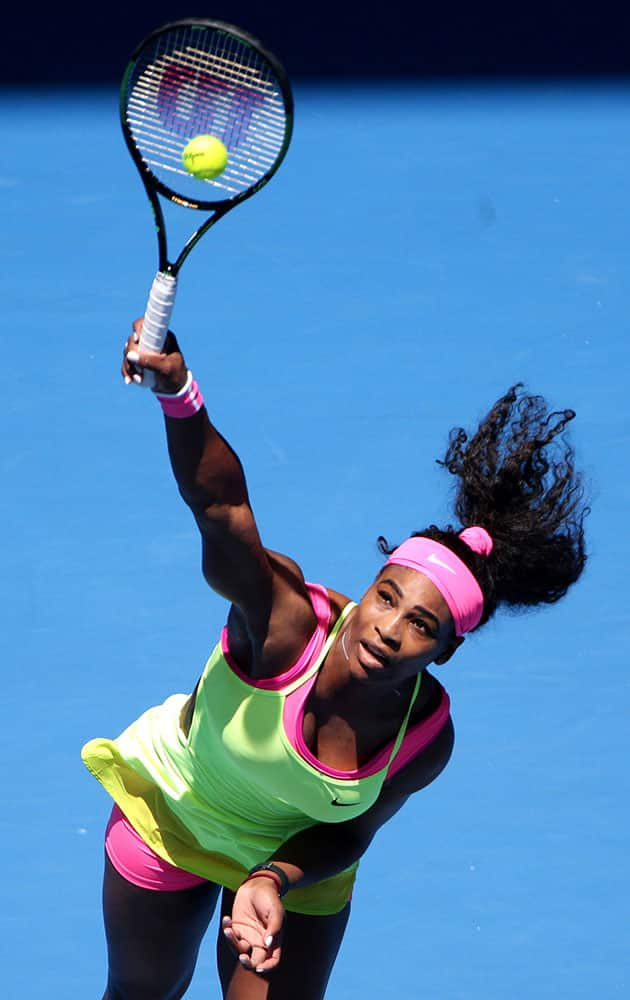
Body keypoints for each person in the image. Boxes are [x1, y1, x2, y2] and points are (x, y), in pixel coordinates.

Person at [82, 322, 588, 1000]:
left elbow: (352, 831)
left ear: (447, 649)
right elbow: (221, 507)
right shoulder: (283, 623)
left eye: (421, 626)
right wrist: (180, 393)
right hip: (174, 810)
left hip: (290, 861)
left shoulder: (425, 738)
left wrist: (273, 878)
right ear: (373, 586)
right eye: (386, 599)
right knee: (143, 992)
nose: (388, 629)